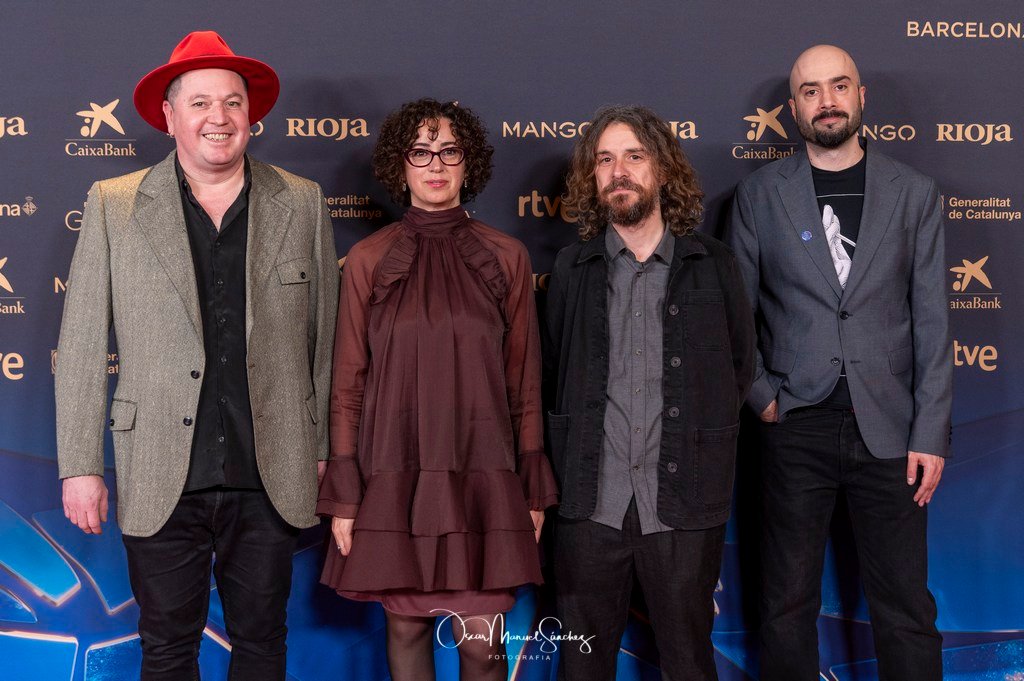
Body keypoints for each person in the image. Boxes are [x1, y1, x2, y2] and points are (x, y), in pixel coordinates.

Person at [55, 31, 338, 680]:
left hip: (270, 470)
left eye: (233, 102)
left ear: (250, 114)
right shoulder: (114, 203)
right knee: (166, 648)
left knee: (263, 643)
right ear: (169, 115)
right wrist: (80, 465)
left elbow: (325, 339)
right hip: (159, 466)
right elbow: (82, 344)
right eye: (201, 102)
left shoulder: (300, 200)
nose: (220, 117)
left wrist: (321, 445)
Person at [725, 45, 950, 681]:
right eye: (810, 91)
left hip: (892, 430)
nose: (826, 101)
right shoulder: (759, 196)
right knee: (786, 603)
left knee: (905, 607)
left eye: (839, 86)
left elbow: (933, 322)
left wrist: (930, 432)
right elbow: (736, 315)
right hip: (795, 423)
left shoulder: (915, 194)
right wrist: (764, 397)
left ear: (860, 96)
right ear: (793, 108)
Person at [317, 98, 558, 681]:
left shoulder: (507, 256)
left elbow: (524, 381)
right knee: (406, 629)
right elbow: (347, 383)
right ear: (400, 166)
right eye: (421, 152)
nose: (436, 164)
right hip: (394, 472)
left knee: (481, 645)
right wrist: (345, 494)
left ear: (467, 163)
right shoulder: (368, 259)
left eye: (449, 151)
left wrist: (530, 485)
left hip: (485, 475)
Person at [544, 105, 755, 681]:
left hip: (684, 502)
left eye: (634, 157)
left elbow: (738, 370)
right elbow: (553, 374)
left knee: (689, 664)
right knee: (583, 669)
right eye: (604, 160)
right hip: (589, 504)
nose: (619, 172)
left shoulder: (714, 264)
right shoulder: (572, 268)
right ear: (592, 176)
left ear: (661, 168)